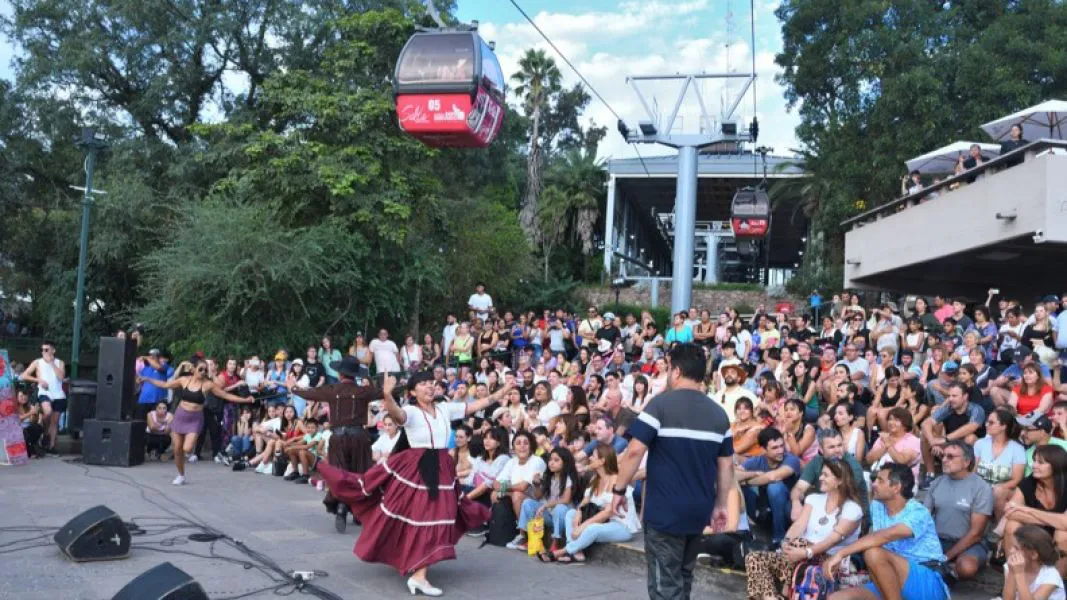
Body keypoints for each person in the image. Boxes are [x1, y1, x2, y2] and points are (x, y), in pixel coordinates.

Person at [311, 371, 504, 597]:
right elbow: (397, 414)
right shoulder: (411, 412)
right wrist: (387, 394)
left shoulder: (445, 408)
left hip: (442, 467)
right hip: (418, 468)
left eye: (431, 383)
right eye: (422, 383)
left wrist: (504, 391)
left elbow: (480, 403)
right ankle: (419, 575)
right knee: (425, 518)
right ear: (413, 391)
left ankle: (417, 568)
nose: (429, 386)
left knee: (436, 518)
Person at [613, 343, 734, 600]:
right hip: (698, 511)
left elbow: (634, 452)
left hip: (665, 513)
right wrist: (721, 504)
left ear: (676, 372)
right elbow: (726, 465)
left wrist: (619, 489)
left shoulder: (660, 406)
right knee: (684, 578)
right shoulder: (720, 415)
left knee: (664, 585)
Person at [825, 463, 949, 600]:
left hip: (926, 580)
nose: (873, 484)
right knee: (836, 598)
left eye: (880, 480)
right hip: (891, 578)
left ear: (896, 487)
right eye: (875, 479)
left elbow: (885, 535)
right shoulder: (877, 506)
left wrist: (840, 553)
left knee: (873, 553)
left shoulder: (918, 512)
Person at [747, 459, 863, 600]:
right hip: (799, 554)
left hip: (829, 562)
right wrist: (786, 542)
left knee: (800, 543)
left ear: (839, 481)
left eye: (825, 475)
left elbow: (832, 541)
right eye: (821, 474)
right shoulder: (813, 499)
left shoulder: (853, 509)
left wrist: (806, 552)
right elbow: (799, 525)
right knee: (754, 558)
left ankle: (786, 591)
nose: (820, 478)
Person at [139, 361, 254, 485]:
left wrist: (244, 400)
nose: (203, 372)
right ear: (193, 369)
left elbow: (225, 395)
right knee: (177, 450)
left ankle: (185, 463)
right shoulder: (184, 380)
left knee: (186, 448)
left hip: (195, 420)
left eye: (205, 370)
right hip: (180, 417)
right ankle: (181, 475)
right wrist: (147, 379)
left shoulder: (208, 385)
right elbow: (165, 384)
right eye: (200, 369)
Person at [923, 441, 994, 581]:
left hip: (970, 543)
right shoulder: (937, 482)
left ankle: (947, 568)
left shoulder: (981, 487)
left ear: (966, 462)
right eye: (943, 456)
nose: (944, 460)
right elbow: (924, 517)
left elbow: (976, 533)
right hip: (938, 540)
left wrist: (945, 557)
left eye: (950, 457)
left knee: (967, 567)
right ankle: (946, 571)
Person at [1003, 445, 1067, 576]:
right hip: (1037, 532)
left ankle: (1056, 583)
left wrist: (1028, 510)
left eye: (1041, 462)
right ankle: (1014, 576)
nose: (1033, 465)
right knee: (1011, 525)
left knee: (1063, 534)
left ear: (1056, 465)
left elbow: (1065, 524)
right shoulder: (1030, 482)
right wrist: (1055, 520)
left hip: (1058, 533)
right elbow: (1010, 511)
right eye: (1034, 461)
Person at [736, 427, 803, 546]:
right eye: (775, 448)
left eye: (782, 446)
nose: (780, 450)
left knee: (775, 487)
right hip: (764, 505)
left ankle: (779, 538)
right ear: (763, 450)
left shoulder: (791, 460)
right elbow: (734, 475)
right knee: (739, 488)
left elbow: (773, 477)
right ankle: (751, 533)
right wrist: (753, 473)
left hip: (789, 506)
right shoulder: (757, 460)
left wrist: (746, 481)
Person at [790, 428, 868, 521]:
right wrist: (796, 502)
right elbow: (799, 487)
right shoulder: (816, 462)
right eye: (831, 447)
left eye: (839, 445)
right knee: (790, 507)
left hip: (850, 511)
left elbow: (841, 495)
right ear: (821, 449)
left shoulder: (853, 466)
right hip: (826, 505)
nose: (837, 450)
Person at [920, 382, 985, 489]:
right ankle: (930, 475)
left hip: (969, 449)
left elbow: (972, 427)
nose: (950, 399)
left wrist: (944, 439)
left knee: (970, 438)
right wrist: (932, 441)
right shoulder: (948, 408)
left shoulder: (976, 409)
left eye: (954, 396)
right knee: (925, 435)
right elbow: (926, 423)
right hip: (950, 445)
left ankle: (967, 476)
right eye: (949, 396)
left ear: (965, 397)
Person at [975, 407, 1027, 519]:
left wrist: (993, 489)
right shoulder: (980, 444)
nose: (986, 424)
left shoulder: (1017, 449)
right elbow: (975, 471)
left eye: (991, 422)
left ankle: (999, 530)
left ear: (1003, 426)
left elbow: (1016, 480)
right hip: (982, 488)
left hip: (1005, 491)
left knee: (998, 491)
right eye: (987, 421)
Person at [18, 341, 66, 454]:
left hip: (58, 393)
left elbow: (61, 376)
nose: (44, 352)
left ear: (53, 350)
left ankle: (51, 446)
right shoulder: (37, 362)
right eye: (42, 350)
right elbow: (23, 375)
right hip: (45, 392)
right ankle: (45, 432)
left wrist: (52, 363)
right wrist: (38, 380)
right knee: (48, 412)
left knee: (55, 421)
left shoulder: (60, 362)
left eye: (46, 349)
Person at [1001, 525, 1066, 600]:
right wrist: (1012, 572)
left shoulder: (1051, 575)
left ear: (1033, 555)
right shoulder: (1011, 566)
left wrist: (1019, 574)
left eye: (1016, 548)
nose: (1011, 551)